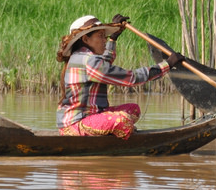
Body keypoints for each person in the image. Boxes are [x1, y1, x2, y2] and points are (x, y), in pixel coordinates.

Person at [56, 14, 184, 139]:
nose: (104, 40)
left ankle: (109, 134)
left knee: (133, 109)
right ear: (85, 39)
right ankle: (118, 140)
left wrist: (114, 38)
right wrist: (167, 65)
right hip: (76, 124)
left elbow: (104, 63)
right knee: (123, 120)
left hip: (92, 117)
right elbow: (132, 78)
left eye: (105, 36)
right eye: (100, 36)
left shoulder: (85, 57)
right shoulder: (87, 60)